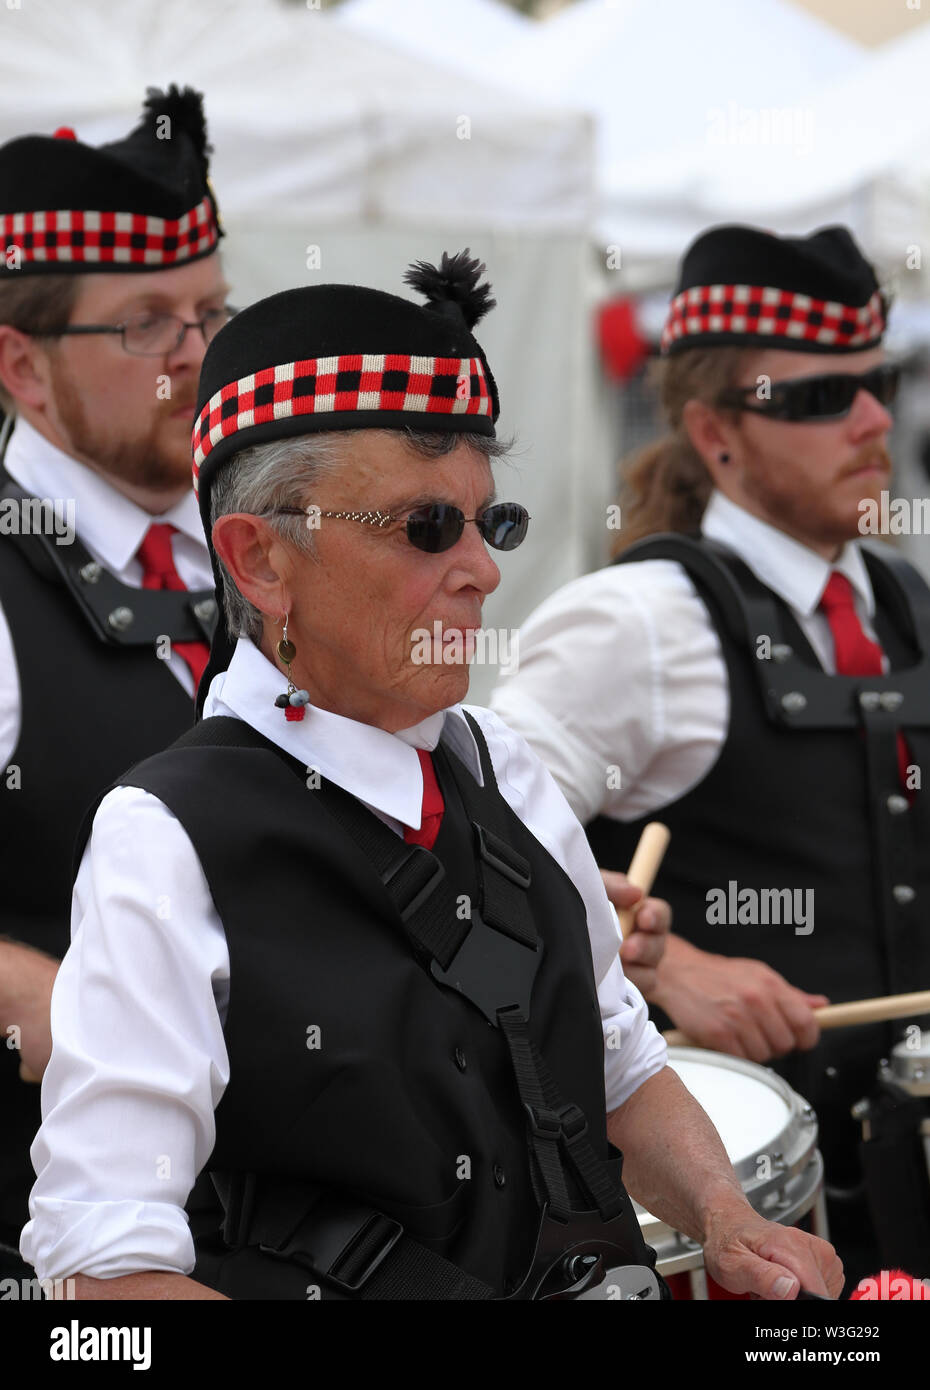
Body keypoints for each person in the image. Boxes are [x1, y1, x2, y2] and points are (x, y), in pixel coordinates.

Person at [21, 252, 842, 1301]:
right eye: (425, 526)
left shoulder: (504, 766)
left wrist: (726, 1220)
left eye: (490, 519)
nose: (484, 567)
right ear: (261, 558)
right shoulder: (165, 836)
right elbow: (105, 1270)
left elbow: (620, 1068)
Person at [491, 224, 930, 1279]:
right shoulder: (634, 624)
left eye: (878, 383)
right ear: (716, 433)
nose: (872, 419)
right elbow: (476, 850)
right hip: (750, 1208)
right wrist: (670, 965)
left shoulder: (911, 604)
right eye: (823, 397)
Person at [0, 86, 229, 1278]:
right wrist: (36, 989)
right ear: (23, 369)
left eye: (211, 313)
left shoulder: (267, 544)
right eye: (148, 326)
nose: (200, 358)